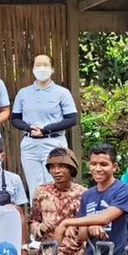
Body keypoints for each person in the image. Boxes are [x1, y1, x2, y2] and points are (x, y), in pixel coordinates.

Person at [58, 144, 128, 255]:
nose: (98, 169)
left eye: (104, 164)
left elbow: (105, 218)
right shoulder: (87, 195)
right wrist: (90, 227)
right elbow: (82, 235)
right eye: (93, 164)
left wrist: (66, 222)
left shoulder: (124, 190)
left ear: (115, 167)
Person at [9, 53, 78, 188]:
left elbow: (71, 119)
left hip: (54, 142)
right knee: (34, 186)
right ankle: (36, 209)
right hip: (30, 144)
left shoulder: (62, 93)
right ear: (33, 68)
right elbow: (15, 119)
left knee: (55, 184)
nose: (41, 68)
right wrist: (29, 128)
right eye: (38, 65)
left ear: (52, 69)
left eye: (45, 65)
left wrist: (46, 130)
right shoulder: (23, 93)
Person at [32, 148, 87, 255]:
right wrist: (39, 228)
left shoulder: (83, 194)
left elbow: (87, 230)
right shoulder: (41, 192)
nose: (56, 171)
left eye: (62, 166)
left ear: (71, 168)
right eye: (52, 167)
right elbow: (33, 220)